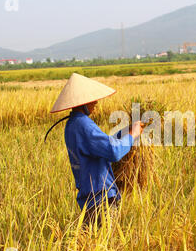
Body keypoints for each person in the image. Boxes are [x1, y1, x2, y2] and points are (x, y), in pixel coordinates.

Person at [47, 73, 144, 226]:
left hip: (90, 198)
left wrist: (126, 132)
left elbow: (103, 144)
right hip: (101, 198)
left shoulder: (73, 124)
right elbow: (113, 151)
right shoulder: (83, 124)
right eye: (92, 99)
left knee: (93, 243)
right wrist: (133, 134)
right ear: (83, 102)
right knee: (105, 244)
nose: (96, 102)